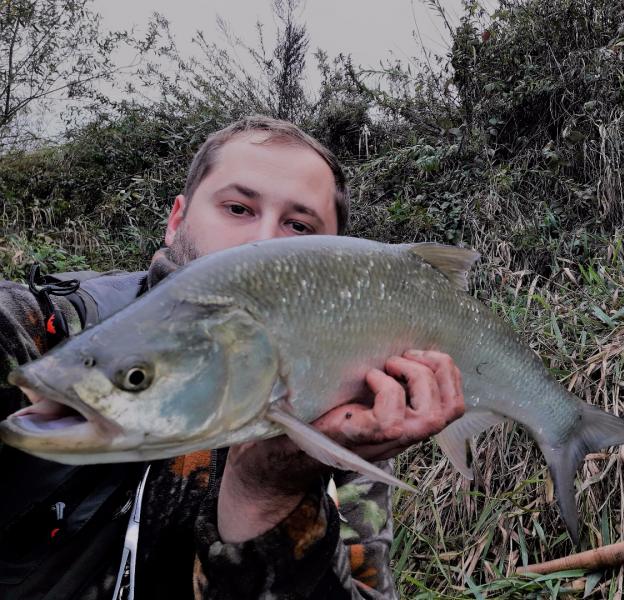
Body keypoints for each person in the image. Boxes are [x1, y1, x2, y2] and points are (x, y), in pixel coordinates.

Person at [0, 116, 466, 599]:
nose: (263, 241)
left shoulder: (351, 416)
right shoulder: (55, 323)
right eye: (238, 208)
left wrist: (270, 492)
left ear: (335, 258)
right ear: (176, 219)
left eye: (299, 225)